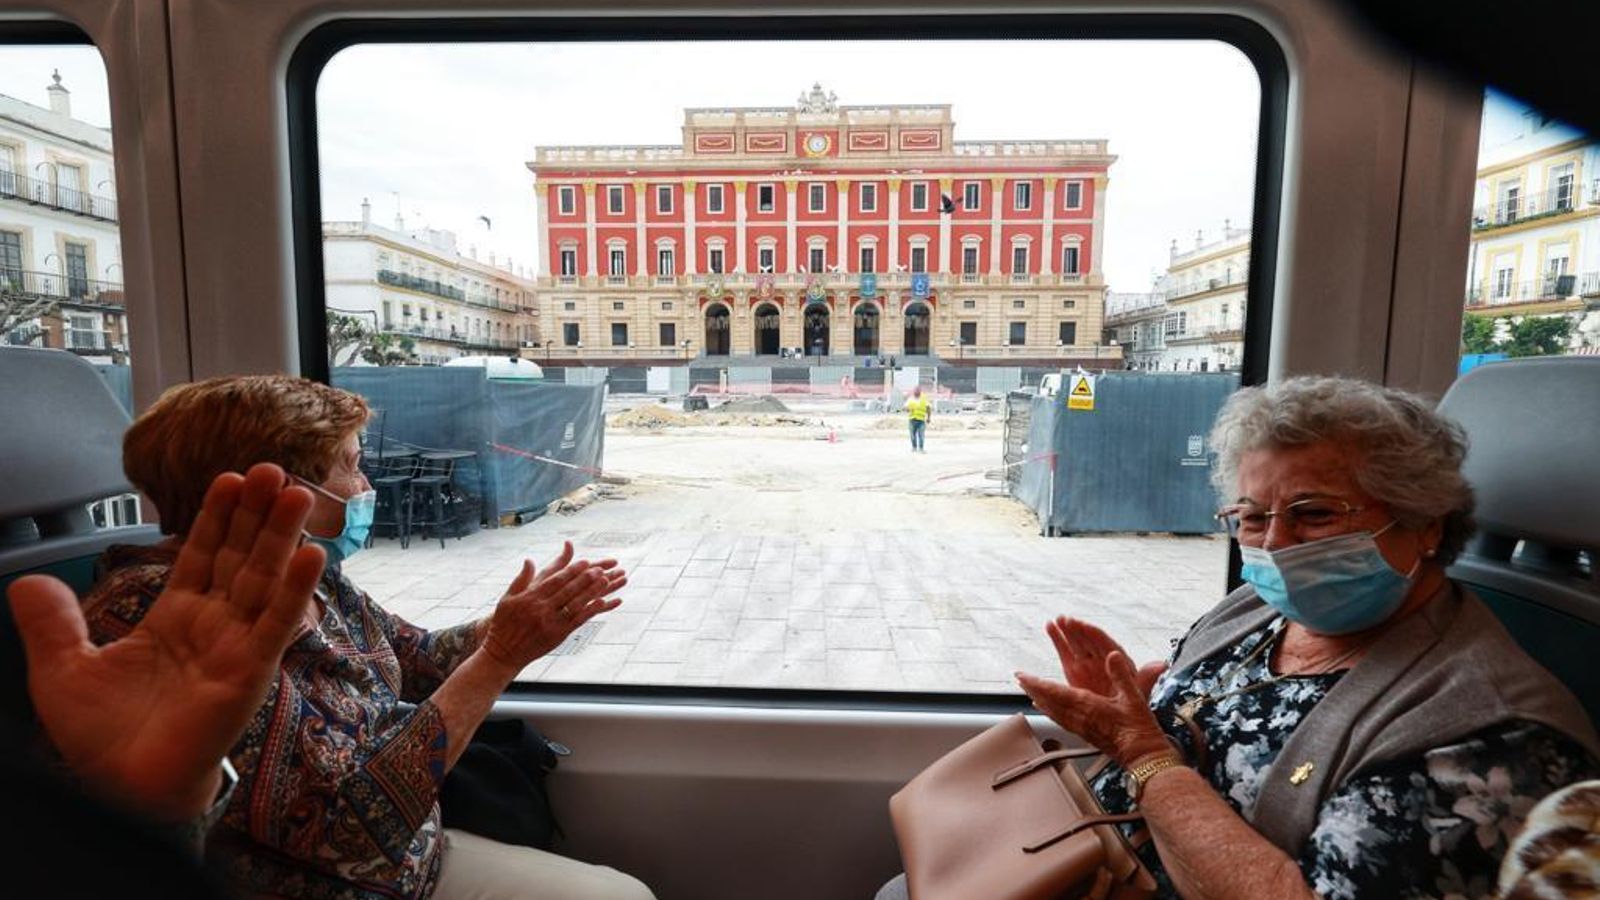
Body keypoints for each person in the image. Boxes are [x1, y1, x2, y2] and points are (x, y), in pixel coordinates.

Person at [879, 376, 1599, 900]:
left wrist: (1143, 754)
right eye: (1252, 517)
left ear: (1426, 524)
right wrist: (1128, 714)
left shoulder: (1486, 739)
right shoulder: (1254, 612)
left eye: (1314, 514)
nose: (1277, 546)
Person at [81, 375, 653, 900]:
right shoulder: (157, 617)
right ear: (282, 490)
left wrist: (509, 626)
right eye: (351, 465)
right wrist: (501, 656)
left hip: (410, 862)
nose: (365, 485)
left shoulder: (305, 572)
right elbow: (352, 831)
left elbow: (418, 657)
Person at [5, 464, 323, 898]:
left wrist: (161, 809)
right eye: (347, 463)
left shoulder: (303, 583)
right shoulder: (141, 598)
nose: (363, 485)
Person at [905, 386, 931, 453]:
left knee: (921, 435)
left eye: (918, 391)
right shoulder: (910, 399)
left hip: (921, 420)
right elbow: (906, 408)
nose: (916, 392)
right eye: (915, 391)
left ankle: (921, 448)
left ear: (920, 392)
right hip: (912, 419)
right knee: (912, 435)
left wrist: (928, 417)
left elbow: (928, 408)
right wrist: (908, 409)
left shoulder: (924, 399)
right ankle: (914, 447)